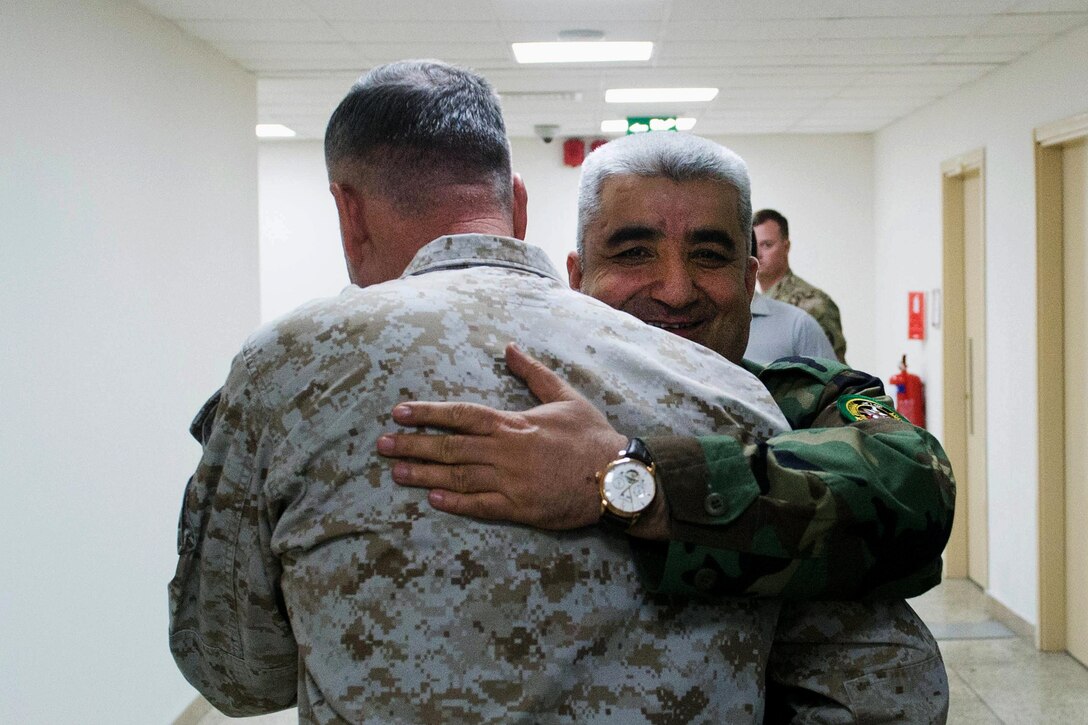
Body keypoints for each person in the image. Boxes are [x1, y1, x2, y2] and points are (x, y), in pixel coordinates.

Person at [169, 60, 804, 723]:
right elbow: (862, 673)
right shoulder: (735, 397)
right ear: (520, 204)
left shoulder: (288, 369)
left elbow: (236, 674)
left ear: (348, 213)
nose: (675, 289)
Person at [380, 132, 953, 722]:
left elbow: (915, 491)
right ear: (576, 277)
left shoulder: (801, 399)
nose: (677, 289)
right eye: (634, 253)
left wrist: (630, 481)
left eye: (709, 255)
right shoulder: (523, 416)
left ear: (751, 275)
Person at [754, 208, 848, 361]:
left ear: (786, 247)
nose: (758, 254)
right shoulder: (753, 306)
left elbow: (833, 375)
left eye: (767, 245)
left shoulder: (814, 303)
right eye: (753, 246)